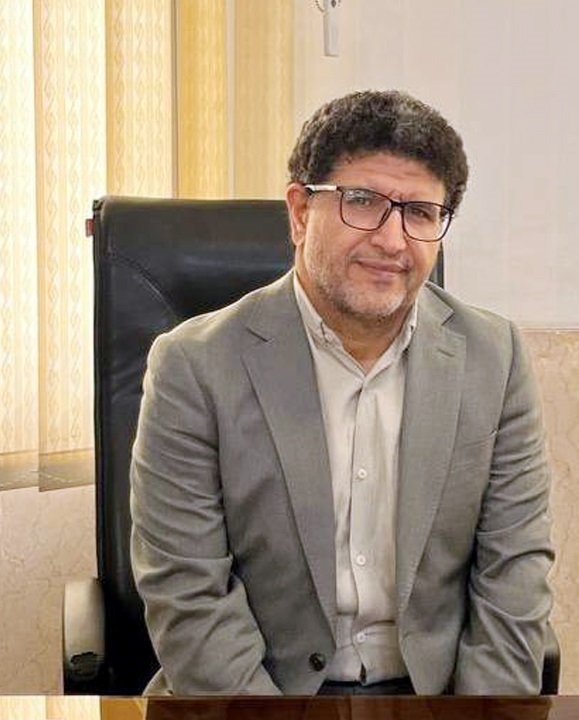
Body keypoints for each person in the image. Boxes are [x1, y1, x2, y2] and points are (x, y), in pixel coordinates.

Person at [130, 89, 554, 696]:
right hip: (256, 698)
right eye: (362, 202)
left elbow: (514, 579)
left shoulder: (495, 359)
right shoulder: (193, 367)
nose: (392, 240)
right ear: (301, 212)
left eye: (419, 213)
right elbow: (189, 597)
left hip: (433, 700)